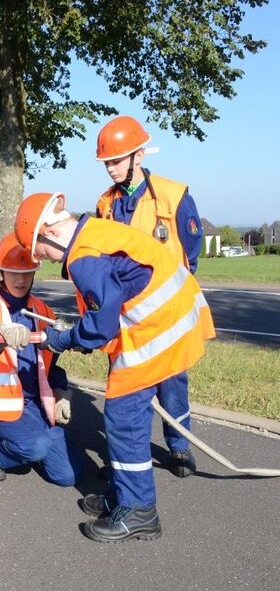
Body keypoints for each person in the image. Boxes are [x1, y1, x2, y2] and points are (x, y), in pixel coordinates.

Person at [14, 192, 215, 542]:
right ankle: (125, 495)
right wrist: (84, 334)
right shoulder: (94, 231)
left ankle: (139, 512)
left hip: (160, 330)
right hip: (171, 319)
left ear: (49, 232)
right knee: (125, 414)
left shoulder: (83, 257)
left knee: (123, 418)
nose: (44, 261)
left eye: (41, 252)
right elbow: (112, 301)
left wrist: (60, 340)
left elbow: (100, 326)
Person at [94, 115, 204, 477]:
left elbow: (191, 255)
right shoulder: (105, 205)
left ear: (138, 156)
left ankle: (180, 447)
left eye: (116, 160)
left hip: (167, 318)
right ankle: (128, 457)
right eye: (106, 162)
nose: (110, 169)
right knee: (127, 390)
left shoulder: (174, 196)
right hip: (126, 320)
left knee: (173, 386)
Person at [0, 232, 83, 486]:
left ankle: (30, 442)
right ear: (0, 272)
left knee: (69, 475)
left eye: (26, 272)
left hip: (34, 405)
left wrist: (62, 393)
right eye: (12, 272)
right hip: (0, 407)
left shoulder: (42, 311)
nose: (20, 279)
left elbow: (49, 363)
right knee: (37, 447)